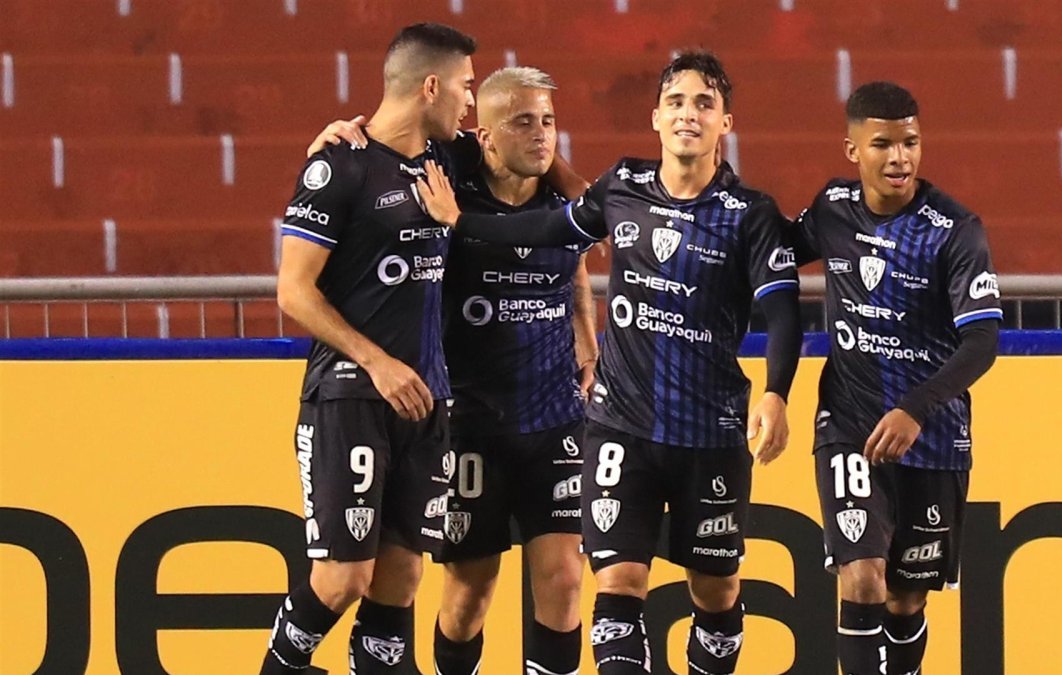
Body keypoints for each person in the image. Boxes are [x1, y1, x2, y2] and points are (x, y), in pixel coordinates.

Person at [417, 50, 803, 675]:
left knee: (717, 592)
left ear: (725, 122)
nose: (688, 114)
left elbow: (785, 314)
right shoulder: (622, 188)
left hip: (710, 432)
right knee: (610, 584)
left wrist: (776, 392)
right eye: (676, 102)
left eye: (704, 103)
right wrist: (459, 220)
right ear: (655, 117)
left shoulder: (751, 214)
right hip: (618, 428)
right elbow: (550, 229)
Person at [308, 67, 596, 674]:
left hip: (554, 415)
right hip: (468, 418)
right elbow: (392, 140)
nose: (542, 136)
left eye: (548, 122)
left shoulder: (564, 200)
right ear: (485, 136)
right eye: (524, 122)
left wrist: (586, 333)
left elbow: (575, 264)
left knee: (566, 578)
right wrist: (342, 139)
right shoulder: (448, 184)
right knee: (469, 592)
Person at [262, 22, 477, 674]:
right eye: (465, 88)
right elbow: (293, 292)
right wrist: (376, 360)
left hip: (426, 399)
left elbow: (534, 158)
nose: (470, 103)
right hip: (351, 394)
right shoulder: (340, 165)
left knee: (402, 576)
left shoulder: (450, 160)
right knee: (343, 576)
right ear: (431, 86)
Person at [791, 81, 1002, 675]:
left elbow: (982, 340)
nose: (899, 158)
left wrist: (916, 407)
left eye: (910, 142)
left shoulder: (955, 231)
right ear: (853, 149)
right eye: (882, 143)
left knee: (905, 598)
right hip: (850, 425)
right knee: (862, 577)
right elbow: (775, 249)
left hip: (932, 435)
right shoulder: (832, 209)